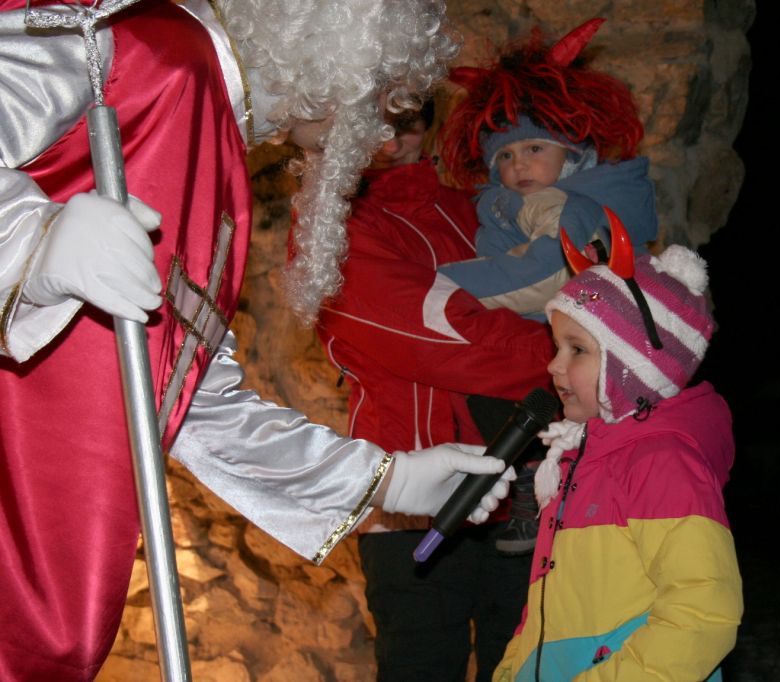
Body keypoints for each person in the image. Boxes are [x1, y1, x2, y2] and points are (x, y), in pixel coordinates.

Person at [0, 1, 508, 679]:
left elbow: (188, 396)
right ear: (337, 59)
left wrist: (386, 480)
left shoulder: (215, 155)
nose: (381, 133)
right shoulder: (143, 48)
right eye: (381, 97)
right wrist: (30, 241)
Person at [305, 99, 554, 681]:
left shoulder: (479, 209)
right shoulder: (332, 230)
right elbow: (439, 338)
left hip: (520, 496)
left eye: (407, 123)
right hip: (411, 502)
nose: (391, 143)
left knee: (523, 668)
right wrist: (571, 355)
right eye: (374, 125)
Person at [432, 17, 661, 555]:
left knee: (510, 400)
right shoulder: (526, 201)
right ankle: (541, 485)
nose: (519, 166)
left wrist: (442, 285)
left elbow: (547, 269)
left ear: (574, 154)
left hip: (558, 333)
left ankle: (536, 482)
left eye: (535, 149)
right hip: (556, 333)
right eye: (506, 156)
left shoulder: (564, 203)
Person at [493, 215, 744, 681]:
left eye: (576, 349)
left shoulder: (662, 463)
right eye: (556, 346)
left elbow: (702, 612)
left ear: (632, 367)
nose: (553, 365)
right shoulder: (577, 460)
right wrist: (512, 669)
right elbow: (548, 605)